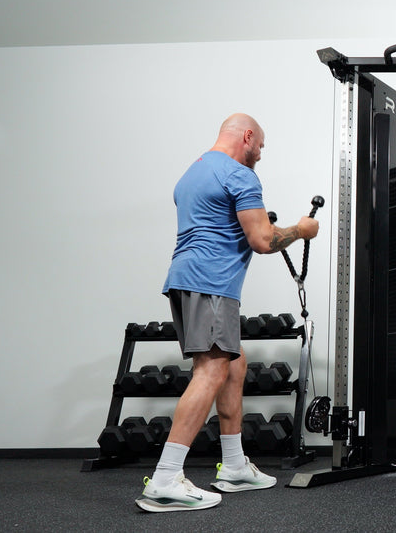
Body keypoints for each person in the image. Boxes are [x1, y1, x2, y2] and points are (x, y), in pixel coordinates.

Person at [135, 113, 320, 512]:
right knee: (212, 370)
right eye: (261, 146)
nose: (261, 155)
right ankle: (165, 479)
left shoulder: (193, 172)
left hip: (186, 277)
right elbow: (263, 240)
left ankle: (235, 466)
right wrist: (301, 230)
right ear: (247, 137)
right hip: (210, 282)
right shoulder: (239, 175)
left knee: (234, 364)